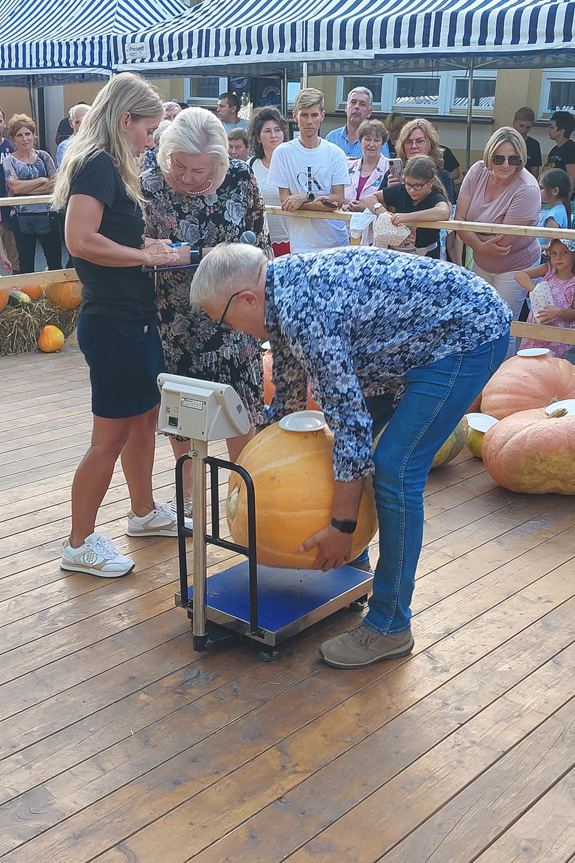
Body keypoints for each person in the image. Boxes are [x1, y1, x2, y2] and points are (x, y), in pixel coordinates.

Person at [189, 243, 512, 669]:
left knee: (394, 468)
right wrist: (260, 463)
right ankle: (355, 558)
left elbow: (352, 425)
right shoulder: (278, 295)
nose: (233, 332)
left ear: (248, 299)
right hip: (399, 347)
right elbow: (287, 394)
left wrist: (342, 525)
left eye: (227, 322)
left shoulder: (305, 312)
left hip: (465, 336)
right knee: (340, 449)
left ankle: (389, 625)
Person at [52, 72, 182, 579]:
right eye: (148, 130)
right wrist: (141, 255)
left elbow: (104, 239)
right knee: (108, 437)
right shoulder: (98, 165)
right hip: (113, 322)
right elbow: (80, 240)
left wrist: (142, 251)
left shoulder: (110, 164)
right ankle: (78, 541)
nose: (151, 141)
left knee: (144, 420)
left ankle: (143, 512)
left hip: (134, 317)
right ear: (126, 119)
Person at [142, 107, 270, 516]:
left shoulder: (240, 178)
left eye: (200, 170)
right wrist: (190, 254)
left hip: (235, 318)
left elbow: (261, 248)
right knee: (183, 414)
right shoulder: (149, 184)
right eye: (180, 166)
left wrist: (197, 255)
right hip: (175, 319)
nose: (188, 178)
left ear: (219, 161)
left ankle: (245, 502)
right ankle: (189, 502)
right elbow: (140, 252)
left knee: (242, 409)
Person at [454, 126, 541, 358]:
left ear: (521, 159)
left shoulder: (528, 189)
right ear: (489, 156)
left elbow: (502, 243)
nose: (505, 165)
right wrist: (481, 243)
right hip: (481, 260)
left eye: (513, 159)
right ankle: (479, 379)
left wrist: (472, 233)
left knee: (504, 326)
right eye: (499, 158)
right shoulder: (476, 171)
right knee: (478, 321)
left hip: (514, 267)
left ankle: (502, 384)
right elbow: (458, 220)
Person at [268, 88, 350, 253]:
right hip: (301, 244)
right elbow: (286, 201)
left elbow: (338, 200)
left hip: (335, 242)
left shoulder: (335, 153)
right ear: (295, 116)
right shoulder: (283, 153)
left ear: (322, 116)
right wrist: (320, 202)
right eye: (304, 115)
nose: (309, 121)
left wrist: (304, 197)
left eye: (314, 115)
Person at [3, 113, 61, 274]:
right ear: (13, 138)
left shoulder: (44, 156)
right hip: (22, 218)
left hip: (48, 215)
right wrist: (41, 179)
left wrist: (25, 190)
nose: (24, 139)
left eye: (27, 134)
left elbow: (55, 184)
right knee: (26, 265)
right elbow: (14, 187)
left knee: (55, 261)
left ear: (34, 135)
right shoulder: (9, 161)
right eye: (19, 135)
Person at [364, 155, 451, 258]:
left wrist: (408, 217)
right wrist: (383, 212)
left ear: (430, 182)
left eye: (418, 186)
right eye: (408, 184)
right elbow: (369, 198)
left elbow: (444, 212)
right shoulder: (400, 191)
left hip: (426, 258)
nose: (412, 190)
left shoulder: (434, 197)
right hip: (398, 257)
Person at [515, 238, 575, 358]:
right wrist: (536, 291)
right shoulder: (549, 269)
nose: (558, 257)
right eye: (554, 253)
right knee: (527, 359)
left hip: (557, 334)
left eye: (564, 252)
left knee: (548, 363)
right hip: (535, 328)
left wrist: (558, 312)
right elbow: (520, 275)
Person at [247, 106, 290, 257]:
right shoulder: (250, 166)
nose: (274, 135)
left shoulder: (293, 164)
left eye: (277, 130)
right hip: (259, 242)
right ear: (258, 137)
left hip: (290, 241)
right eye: (268, 131)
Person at [383, 117, 455, 203]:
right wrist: (390, 191)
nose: (414, 146)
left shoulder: (442, 176)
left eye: (419, 141)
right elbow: (375, 204)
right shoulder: (392, 174)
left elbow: (446, 210)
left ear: (430, 144)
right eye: (408, 142)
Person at [326, 87, 389, 159]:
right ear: (346, 108)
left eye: (362, 104)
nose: (356, 107)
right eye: (353, 102)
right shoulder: (331, 138)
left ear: (369, 112)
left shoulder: (377, 141)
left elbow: (385, 168)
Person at [342, 119, 390, 212]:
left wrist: (366, 208)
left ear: (383, 143)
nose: (371, 144)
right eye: (367, 139)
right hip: (346, 224)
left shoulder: (389, 169)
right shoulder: (348, 167)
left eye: (376, 140)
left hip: (374, 225)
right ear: (360, 141)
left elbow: (390, 204)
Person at [0, 105, 18, 273]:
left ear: (4, 124)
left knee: (13, 257)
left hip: (8, 208)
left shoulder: (11, 148)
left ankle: (15, 294)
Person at [544, 111, 575, 193]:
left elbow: (572, 177)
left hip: (563, 197)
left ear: (561, 131)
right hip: (551, 195)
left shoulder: (571, 149)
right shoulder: (555, 149)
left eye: (552, 127)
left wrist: (565, 199)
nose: (549, 130)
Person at [537, 168, 571, 245]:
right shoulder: (560, 210)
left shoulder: (553, 216)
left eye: (541, 188)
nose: (538, 191)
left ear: (555, 191)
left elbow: (550, 248)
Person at [512, 106, 542, 178]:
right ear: (514, 123)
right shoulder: (504, 140)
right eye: (521, 126)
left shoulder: (534, 145)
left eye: (528, 127)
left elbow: (535, 172)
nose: (524, 130)